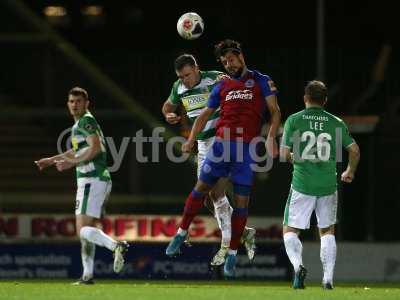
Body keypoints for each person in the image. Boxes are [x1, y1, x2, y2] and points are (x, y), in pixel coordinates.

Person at [165, 39, 281, 278]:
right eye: (225, 60)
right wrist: (184, 133)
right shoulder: (209, 86)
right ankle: (187, 233)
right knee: (207, 195)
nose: (229, 64)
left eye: (231, 58)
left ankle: (229, 247)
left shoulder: (227, 79)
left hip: (244, 148)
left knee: (225, 198)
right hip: (215, 144)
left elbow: (275, 111)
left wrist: (270, 137)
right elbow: (176, 108)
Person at [162, 54, 257, 266]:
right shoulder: (178, 87)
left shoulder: (216, 78)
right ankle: (244, 232)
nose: (185, 80)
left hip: (222, 139)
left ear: (196, 68)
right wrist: (168, 114)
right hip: (203, 145)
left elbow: (237, 93)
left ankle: (225, 245)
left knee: (214, 193)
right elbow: (167, 106)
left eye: (187, 75)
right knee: (206, 198)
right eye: (181, 76)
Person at [35, 87, 129, 284]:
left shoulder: (86, 121)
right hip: (94, 181)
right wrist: (52, 160)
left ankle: (115, 246)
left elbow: (95, 148)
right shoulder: (80, 124)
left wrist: (71, 163)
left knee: (83, 230)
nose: (74, 104)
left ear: (86, 103)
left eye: (78, 101)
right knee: (88, 231)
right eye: (71, 101)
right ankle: (87, 276)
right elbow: (78, 151)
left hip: (92, 180)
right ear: (67, 104)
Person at [280, 80, 361, 289]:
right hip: (327, 185)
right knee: (326, 231)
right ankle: (328, 279)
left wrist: (295, 158)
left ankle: (298, 267)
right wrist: (350, 171)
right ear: (325, 100)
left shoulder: (294, 120)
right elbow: (354, 150)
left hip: (301, 184)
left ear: (305, 98)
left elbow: (283, 154)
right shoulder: (335, 122)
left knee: (290, 230)